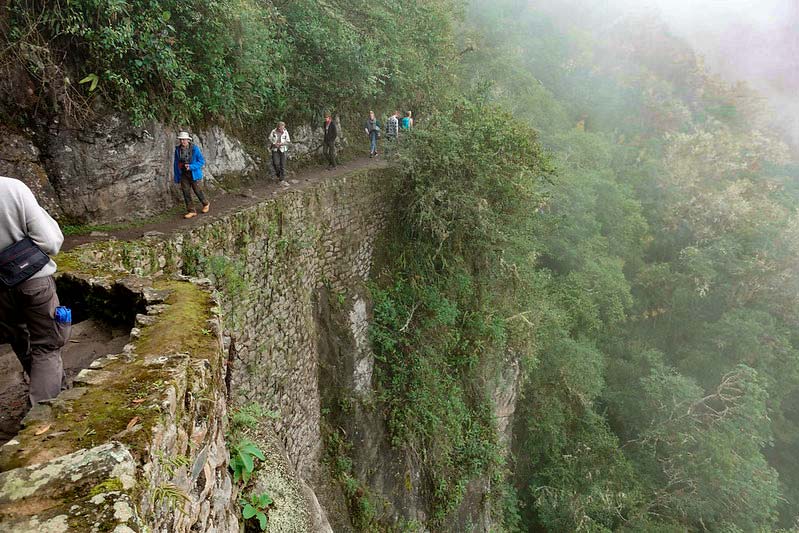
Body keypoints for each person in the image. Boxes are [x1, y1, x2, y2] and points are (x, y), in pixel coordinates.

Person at [0, 176, 67, 406]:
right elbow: (50, 242)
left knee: (21, 339)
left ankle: (58, 389)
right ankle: (42, 415)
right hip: (33, 282)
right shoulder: (11, 188)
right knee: (47, 345)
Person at [173, 131, 209, 219]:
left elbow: (201, 161)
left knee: (197, 190)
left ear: (188, 140)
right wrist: (177, 176)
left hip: (194, 173)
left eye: (184, 139)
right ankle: (191, 210)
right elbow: (176, 163)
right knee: (186, 192)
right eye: (181, 140)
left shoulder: (194, 149)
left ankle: (205, 203)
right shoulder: (178, 150)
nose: (182, 141)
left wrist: (191, 166)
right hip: (183, 173)